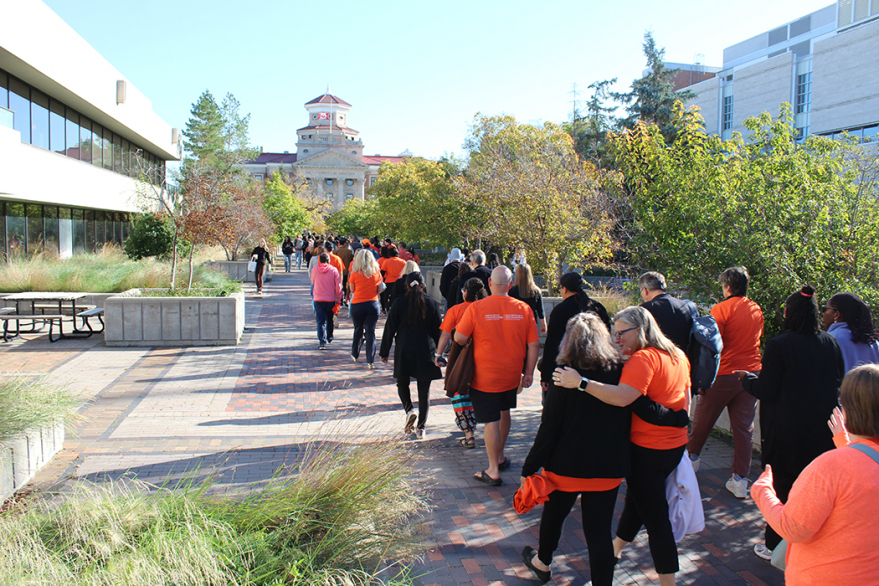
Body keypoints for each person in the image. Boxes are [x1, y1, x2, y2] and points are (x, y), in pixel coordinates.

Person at [523, 312, 689, 585]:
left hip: (567, 466)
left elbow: (549, 428)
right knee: (599, 533)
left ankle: (543, 561)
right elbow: (644, 403)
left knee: (554, 516)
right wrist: (678, 419)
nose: (618, 338)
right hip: (610, 468)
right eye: (615, 333)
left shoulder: (567, 375)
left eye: (622, 333)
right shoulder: (625, 370)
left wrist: (529, 468)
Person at [739, 285, 844, 561]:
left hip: (786, 429)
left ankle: (775, 545)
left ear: (788, 312)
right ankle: (810, 541)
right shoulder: (830, 343)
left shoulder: (779, 344)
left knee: (782, 487)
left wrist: (747, 380)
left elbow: (767, 389)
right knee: (815, 487)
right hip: (822, 430)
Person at [751, 364, 879, 585]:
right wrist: (846, 444)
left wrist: (762, 490)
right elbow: (865, 476)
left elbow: (792, 528)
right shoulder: (849, 464)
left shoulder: (831, 467)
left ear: (848, 408)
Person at [454, 266, 539, 486]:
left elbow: (459, 338)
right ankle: (500, 456)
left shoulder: (476, 308)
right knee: (504, 411)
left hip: (485, 375)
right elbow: (534, 344)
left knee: (491, 420)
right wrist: (529, 373)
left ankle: (493, 470)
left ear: (490, 283)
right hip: (511, 374)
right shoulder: (523, 308)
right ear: (510, 285)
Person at [687, 266, 763, 498]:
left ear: (728, 286)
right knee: (744, 430)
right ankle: (740, 480)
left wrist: (701, 377)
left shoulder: (721, 308)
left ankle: (690, 463)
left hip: (724, 373)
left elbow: (712, 345)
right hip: (751, 373)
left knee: (702, 422)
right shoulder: (756, 308)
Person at [380, 272, 443, 440]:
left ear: (406, 286)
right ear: (423, 286)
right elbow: (438, 331)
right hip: (426, 350)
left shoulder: (399, 302)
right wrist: (440, 353)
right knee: (424, 390)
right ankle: (421, 427)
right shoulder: (431, 303)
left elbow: (389, 328)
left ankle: (409, 410)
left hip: (404, 348)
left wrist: (384, 351)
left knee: (402, 382)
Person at [436, 277, 488, 448]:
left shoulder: (456, 310)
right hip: (485, 357)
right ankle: (492, 431)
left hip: (461, 357)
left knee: (460, 391)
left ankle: (469, 433)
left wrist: (438, 354)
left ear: (465, 292)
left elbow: (445, 334)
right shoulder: (487, 310)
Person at [539, 272, 610, 396]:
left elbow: (552, 344)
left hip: (566, 370)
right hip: (594, 368)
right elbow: (607, 338)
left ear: (564, 289)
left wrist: (546, 374)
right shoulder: (597, 307)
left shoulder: (560, 310)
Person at [638, 271, 697, 351]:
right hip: (687, 356)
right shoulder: (687, 306)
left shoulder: (646, 309)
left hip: (660, 356)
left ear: (645, 290)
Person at [822, 292, 879, 373]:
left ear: (837, 314)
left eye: (825, 309)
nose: (823, 314)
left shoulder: (831, 340)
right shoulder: (872, 342)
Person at [348, 249, 382, 369]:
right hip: (373, 304)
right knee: (370, 331)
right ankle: (370, 360)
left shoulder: (354, 273)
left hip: (358, 304)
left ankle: (355, 353)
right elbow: (379, 287)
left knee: (358, 329)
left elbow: (352, 289)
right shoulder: (376, 272)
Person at [311, 253, 342, 350]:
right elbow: (338, 286)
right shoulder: (334, 270)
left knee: (320, 321)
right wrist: (339, 298)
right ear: (328, 260)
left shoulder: (314, 270)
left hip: (318, 298)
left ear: (320, 260)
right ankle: (329, 336)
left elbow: (313, 281)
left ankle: (322, 341)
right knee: (329, 319)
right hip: (330, 299)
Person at [510, 263, 547, 335]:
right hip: (531, 324)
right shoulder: (536, 291)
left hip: (516, 325)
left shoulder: (512, 291)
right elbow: (540, 310)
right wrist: (544, 324)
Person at [440, 248, 465, 312]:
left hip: (449, 298)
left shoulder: (447, 268)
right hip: (462, 299)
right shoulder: (464, 268)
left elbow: (443, 285)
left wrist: (447, 296)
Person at [336, 237, 355, 305]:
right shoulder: (349, 252)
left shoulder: (336, 251)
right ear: (345, 243)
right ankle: (346, 298)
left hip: (338, 271)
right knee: (346, 286)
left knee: (339, 286)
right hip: (347, 271)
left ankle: (340, 299)